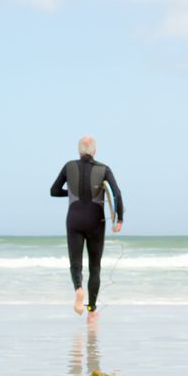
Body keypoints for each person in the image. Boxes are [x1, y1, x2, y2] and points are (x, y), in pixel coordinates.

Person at [50, 136, 124, 322]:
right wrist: (119, 219)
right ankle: (91, 311)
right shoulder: (104, 169)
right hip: (95, 221)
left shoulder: (69, 166)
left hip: (74, 219)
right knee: (95, 267)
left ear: (79, 151)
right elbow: (116, 194)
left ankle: (78, 289)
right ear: (95, 151)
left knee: (76, 263)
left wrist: (73, 193)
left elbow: (54, 190)